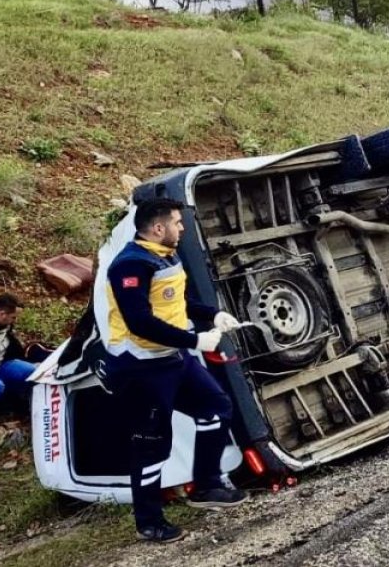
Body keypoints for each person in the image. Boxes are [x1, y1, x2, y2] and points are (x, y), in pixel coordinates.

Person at [102, 198, 247, 543]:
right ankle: (149, 523)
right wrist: (194, 340)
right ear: (157, 227)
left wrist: (211, 314)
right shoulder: (129, 265)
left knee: (216, 407)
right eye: (177, 223)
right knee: (152, 445)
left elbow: (177, 302)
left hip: (170, 358)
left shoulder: (166, 254)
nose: (181, 228)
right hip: (139, 367)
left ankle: (207, 486)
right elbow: (139, 322)